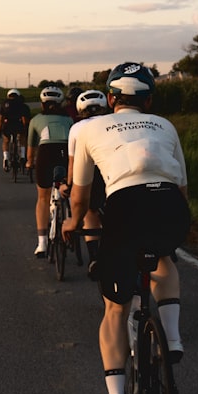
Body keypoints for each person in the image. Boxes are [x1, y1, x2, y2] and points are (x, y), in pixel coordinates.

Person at [63, 62, 190, 394]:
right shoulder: (165, 125)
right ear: (148, 99)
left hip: (125, 205)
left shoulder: (88, 129)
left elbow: (81, 195)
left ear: (112, 99)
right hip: (169, 204)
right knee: (164, 260)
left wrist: (73, 223)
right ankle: (172, 337)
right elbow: (182, 188)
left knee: (115, 309)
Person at [63, 89, 110, 273]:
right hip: (112, 172)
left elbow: (72, 162)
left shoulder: (77, 128)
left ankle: (94, 257)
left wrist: (69, 183)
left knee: (90, 212)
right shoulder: (112, 122)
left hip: (90, 175)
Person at [25, 85, 73, 257]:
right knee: (69, 191)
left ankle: (42, 243)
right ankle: (71, 226)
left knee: (43, 198)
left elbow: (30, 147)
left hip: (46, 152)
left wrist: (29, 162)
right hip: (65, 152)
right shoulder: (68, 119)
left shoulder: (36, 119)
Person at [0, 88, 31, 172]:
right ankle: (23, 156)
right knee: (22, 138)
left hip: (8, 125)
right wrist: (25, 127)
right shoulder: (22, 104)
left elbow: (1, 118)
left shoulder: (4, 103)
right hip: (18, 124)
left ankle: (5, 158)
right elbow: (24, 119)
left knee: (6, 141)